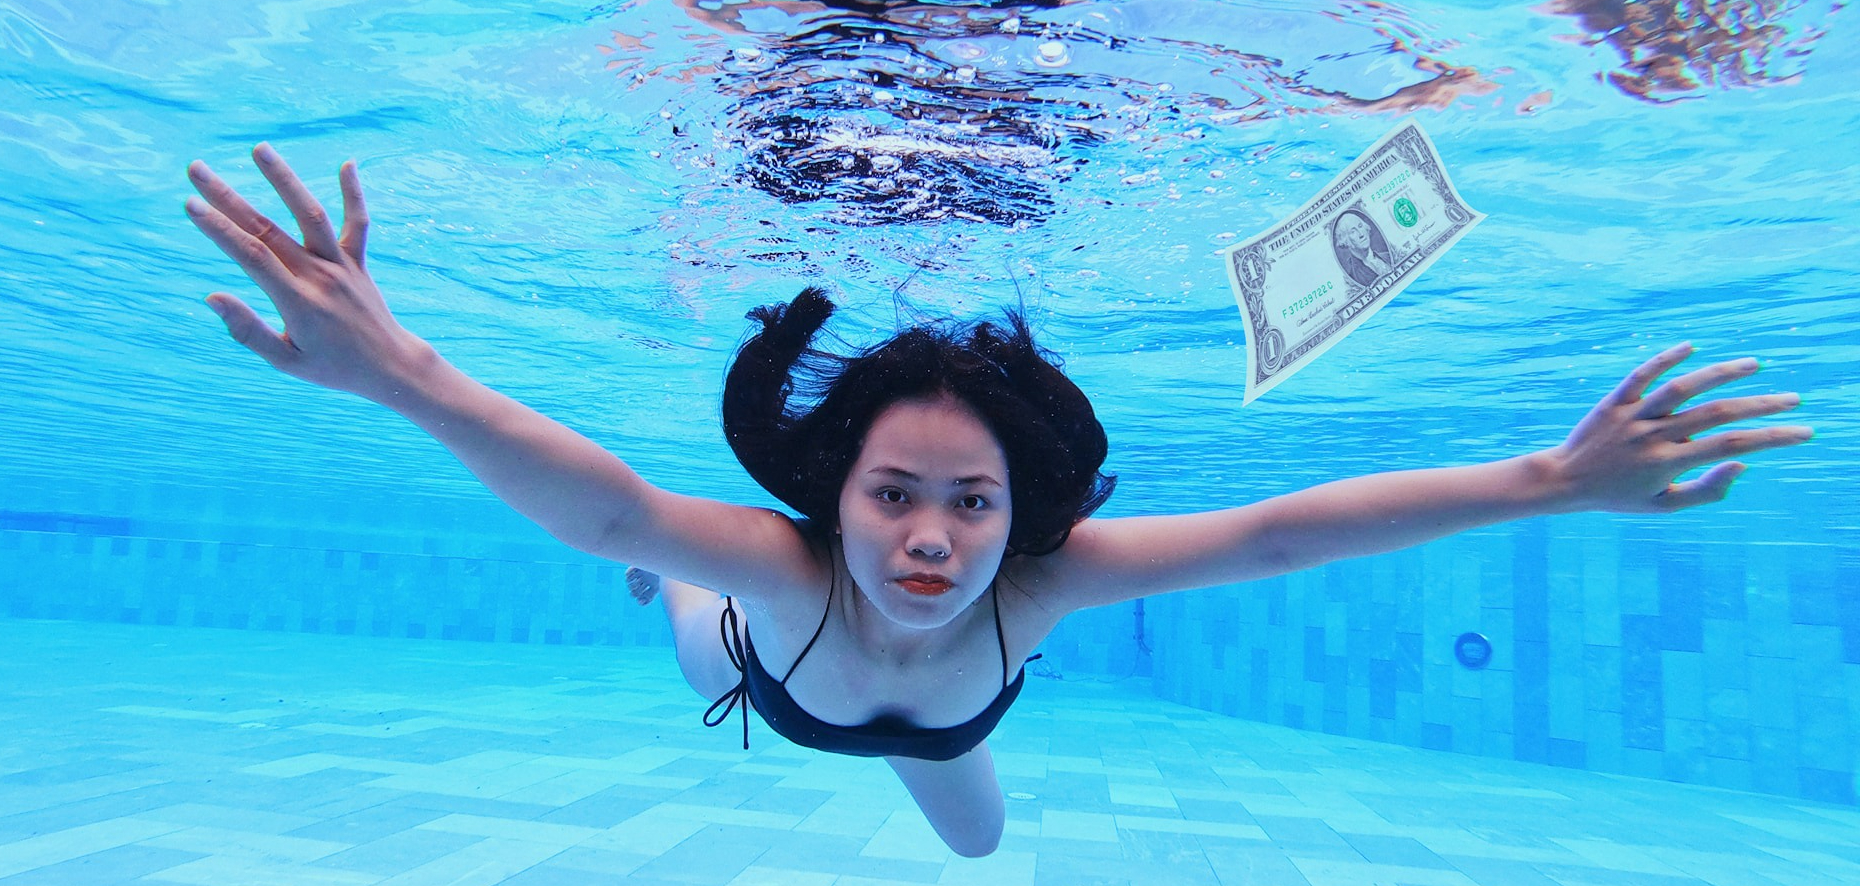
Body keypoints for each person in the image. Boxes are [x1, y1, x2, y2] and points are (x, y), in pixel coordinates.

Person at [184, 144, 1813, 858]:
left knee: (977, 845)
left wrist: (1551, 477)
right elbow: (611, 502)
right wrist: (405, 373)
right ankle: (683, 606)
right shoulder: (795, 560)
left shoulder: (1037, 580)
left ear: (1017, 511)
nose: (930, 536)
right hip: (762, 663)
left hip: (942, 720)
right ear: (837, 494)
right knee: (675, 584)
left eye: (971, 501)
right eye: (894, 492)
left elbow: (1279, 533)